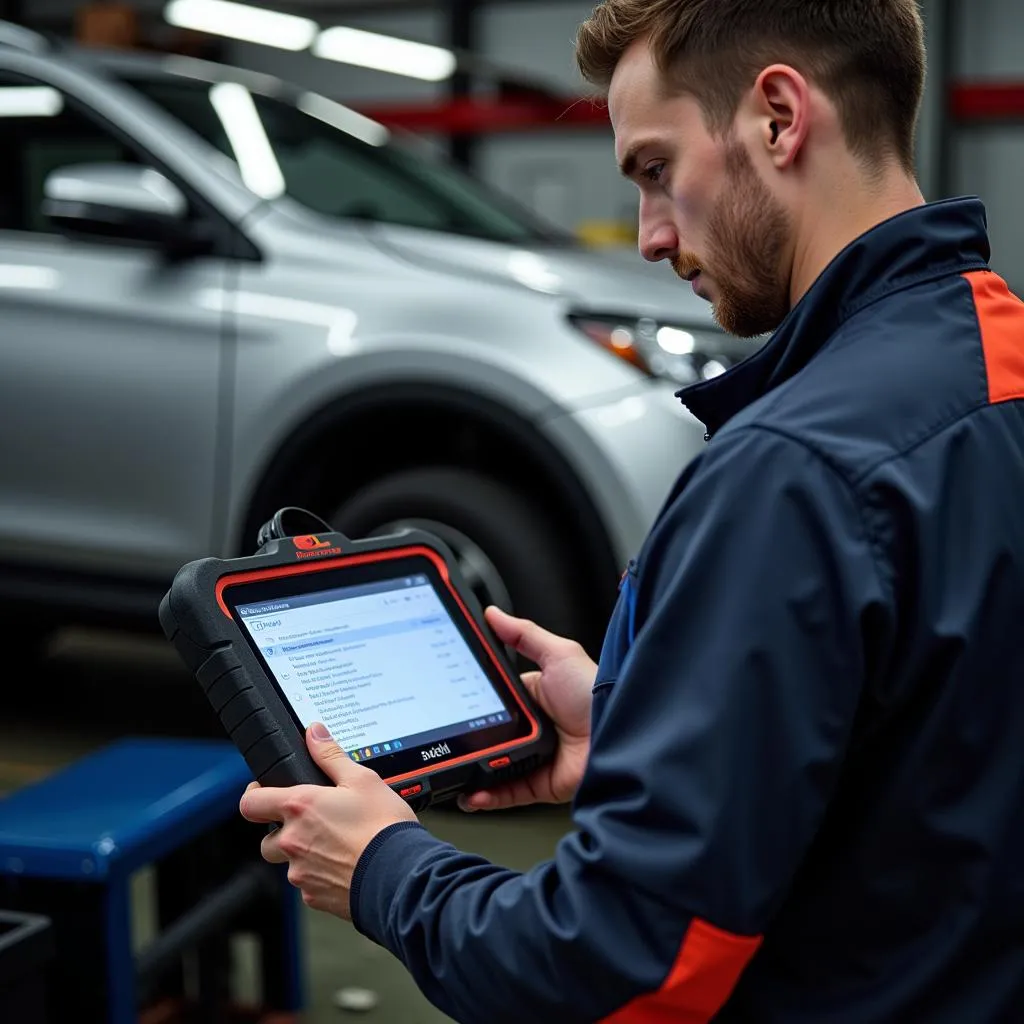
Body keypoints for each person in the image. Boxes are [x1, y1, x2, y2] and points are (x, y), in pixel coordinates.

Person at [239, 1, 1024, 1019]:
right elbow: (940, 745)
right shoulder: (993, 364)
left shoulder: (791, 470)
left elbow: (620, 972)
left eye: (655, 169)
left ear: (778, 118)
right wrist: (638, 723)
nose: (649, 236)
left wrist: (383, 866)